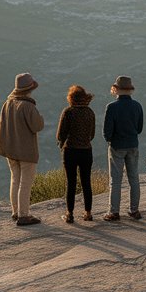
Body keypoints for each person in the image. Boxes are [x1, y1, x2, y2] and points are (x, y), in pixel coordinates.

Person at [0, 72, 45, 226]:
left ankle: (15, 212)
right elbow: (38, 126)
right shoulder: (28, 106)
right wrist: (40, 117)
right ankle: (24, 215)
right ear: (29, 89)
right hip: (26, 152)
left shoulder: (7, 103)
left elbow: (0, 127)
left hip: (10, 150)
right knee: (25, 183)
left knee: (15, 179)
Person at [102, 75, 143, 221]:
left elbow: (107, 131)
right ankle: (134, 210)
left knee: (116, 180)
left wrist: (110, 141)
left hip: (117, 146)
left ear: (116, 89)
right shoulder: (137, 105)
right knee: (134, 179)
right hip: (133, 144)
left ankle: (114, 212)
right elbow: (139, 128)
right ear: (130, 89)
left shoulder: (112, 107)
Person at [56, 84, 96, 223]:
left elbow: (60, 135)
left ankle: (70, 214)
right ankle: (88, 213)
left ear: (71, 98)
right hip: (86, 151)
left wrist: (62, 143)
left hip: (71, 151)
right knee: (86, 182)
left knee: (71, 183)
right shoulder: (90, 112)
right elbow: (92, 135)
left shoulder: (68, 112)